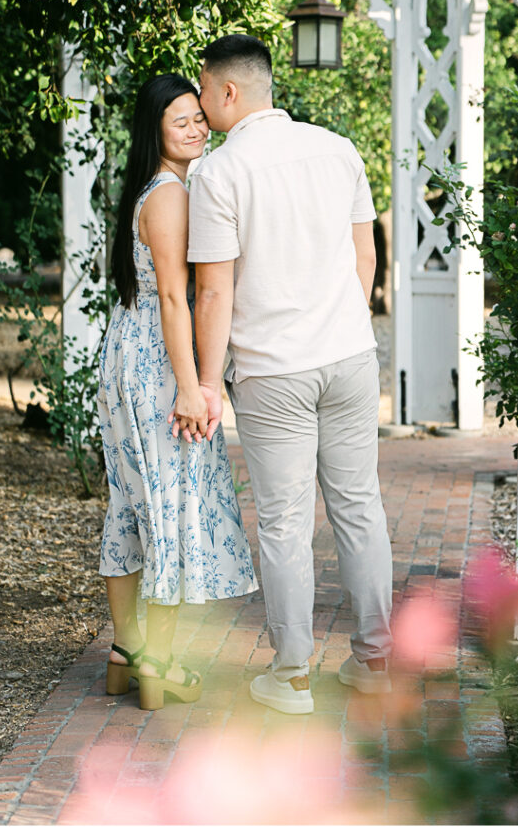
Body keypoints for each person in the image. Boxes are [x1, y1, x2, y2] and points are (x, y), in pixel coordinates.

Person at [181, 35, 393, 715]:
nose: (203, 103)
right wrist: (340, 324)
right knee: (359, 506)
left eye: (205, 90)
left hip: (274, 371)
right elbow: (365, 257)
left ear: (228, 92)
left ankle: (293, 675)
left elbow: (213, 293)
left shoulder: (217, 173)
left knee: (282, 523)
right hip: (350, 357)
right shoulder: (337, 149)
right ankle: (376, 662)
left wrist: (206, 384)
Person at [97, 73, 258, 712]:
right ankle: (155, 664)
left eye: (198, 117)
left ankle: (125, 652)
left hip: (138, 352)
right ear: (155, 132)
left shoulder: (174, 187)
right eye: (179, 122)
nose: (194, 128)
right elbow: (172, 297)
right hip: (157, 363)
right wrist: (191, 387)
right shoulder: (167, 197)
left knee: (134, 504)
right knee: (163, 506)